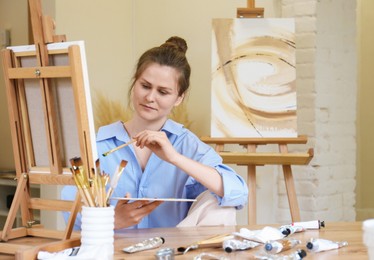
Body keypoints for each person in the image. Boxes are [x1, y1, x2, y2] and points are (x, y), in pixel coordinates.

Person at [61, 36, 248, 230]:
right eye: (145, 86)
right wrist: (110, 221)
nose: (150, 97)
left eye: (163, 92)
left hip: (171, 252)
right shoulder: (98, 144)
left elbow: (237, 192)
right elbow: (69, 210)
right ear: (135, 83)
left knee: (221, 206)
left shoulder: (186, 145)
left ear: (179, 98)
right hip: (113, 252)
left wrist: (175, 158)